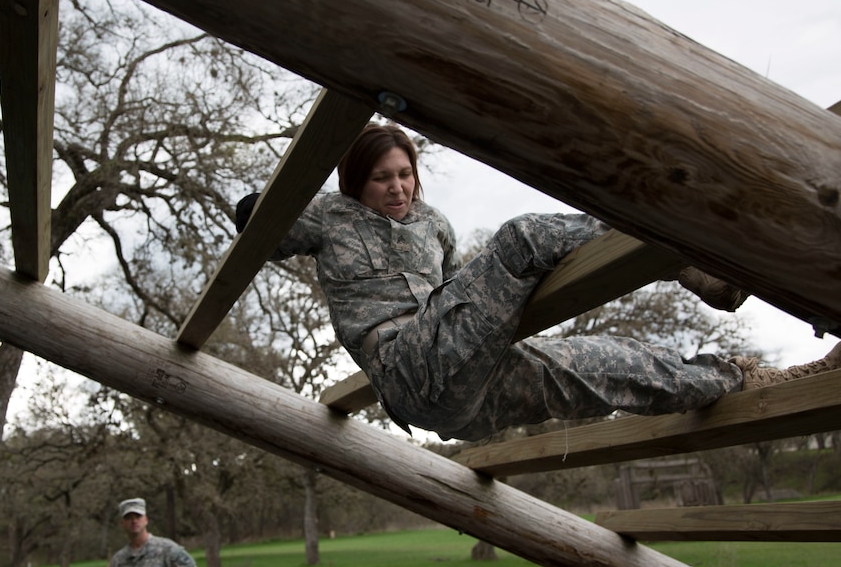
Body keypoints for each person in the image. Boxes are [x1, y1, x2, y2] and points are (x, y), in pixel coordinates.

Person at [235, 123, 840, 443]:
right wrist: (257, 204)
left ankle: (744, 377)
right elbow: (262, 223)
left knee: (608, 365)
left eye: (405, 175)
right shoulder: (331, 215)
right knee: (522, 238)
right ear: (356, 184)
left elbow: (461, 302)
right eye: (381, 179)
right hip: (405, 368)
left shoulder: (436, 226)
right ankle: (690, 263)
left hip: (465, 383)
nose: (397, 188)